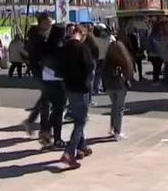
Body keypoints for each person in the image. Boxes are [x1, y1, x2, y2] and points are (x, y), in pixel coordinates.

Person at [55, 24, 94, 169]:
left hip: (68, 87)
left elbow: (58, 69)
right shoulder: (82, 48)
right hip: (81, 88)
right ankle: (69, 152)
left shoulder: (63, 48)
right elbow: (90, 67)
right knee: (81, 121)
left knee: (78, 116)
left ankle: (82, 146)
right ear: (81, 33)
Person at [102, 41, 133, 140]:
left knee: (114, 106)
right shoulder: (124, 60)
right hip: (120, 86)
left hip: (110, 86)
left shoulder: (107, 60)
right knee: (119, 108)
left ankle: (112, 128)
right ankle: (117, 132)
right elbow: (128, 73)